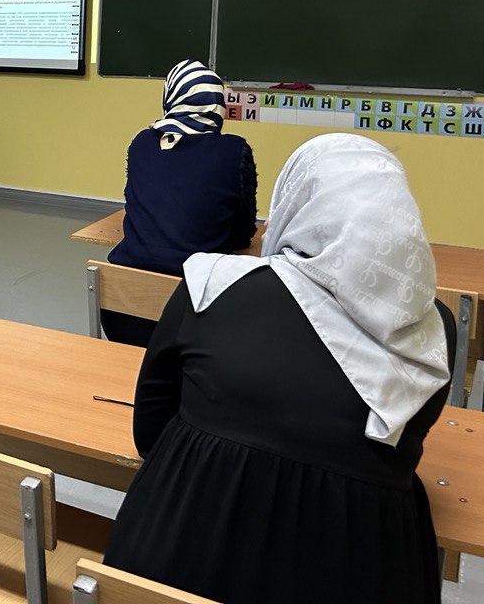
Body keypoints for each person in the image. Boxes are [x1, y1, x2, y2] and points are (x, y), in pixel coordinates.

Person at [103, 134, 453, 604]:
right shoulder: (434, 330)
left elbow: (150, 431)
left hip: (179, 549)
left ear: (294, 201)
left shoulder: (211, 284)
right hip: (361, 558)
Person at [104, 59, 256, 345]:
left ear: (170, 97)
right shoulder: (234, 150)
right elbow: (242, 232)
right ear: (217, 104)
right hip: (196, 312)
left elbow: (136, 204)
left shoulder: (142, 142)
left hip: (122, 307)